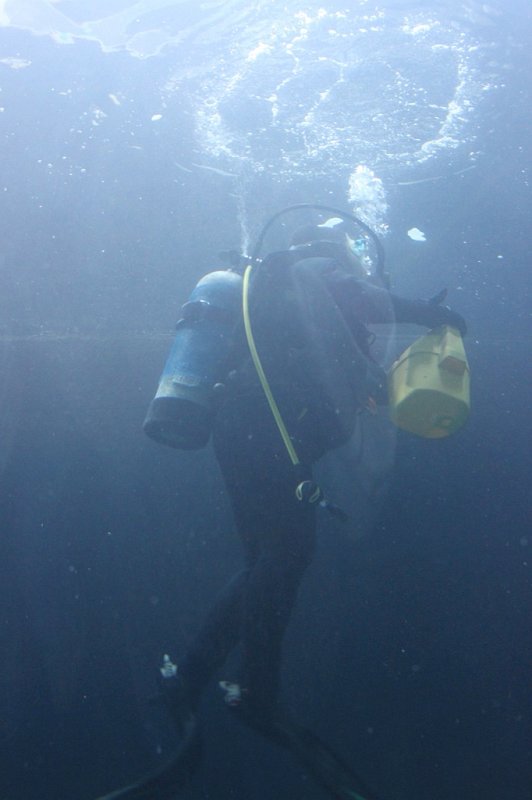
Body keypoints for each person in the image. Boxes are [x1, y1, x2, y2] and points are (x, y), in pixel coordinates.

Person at [98, 218, 466, 800]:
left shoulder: (288, 293)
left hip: (244, 431)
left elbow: (335, 366)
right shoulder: (316, 269)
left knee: (268, 561)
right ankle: (255, 690)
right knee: (289, 553)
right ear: (337, 246)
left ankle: (191, 677)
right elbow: (361, 298)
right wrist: (435, 315)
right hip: (265, 434)